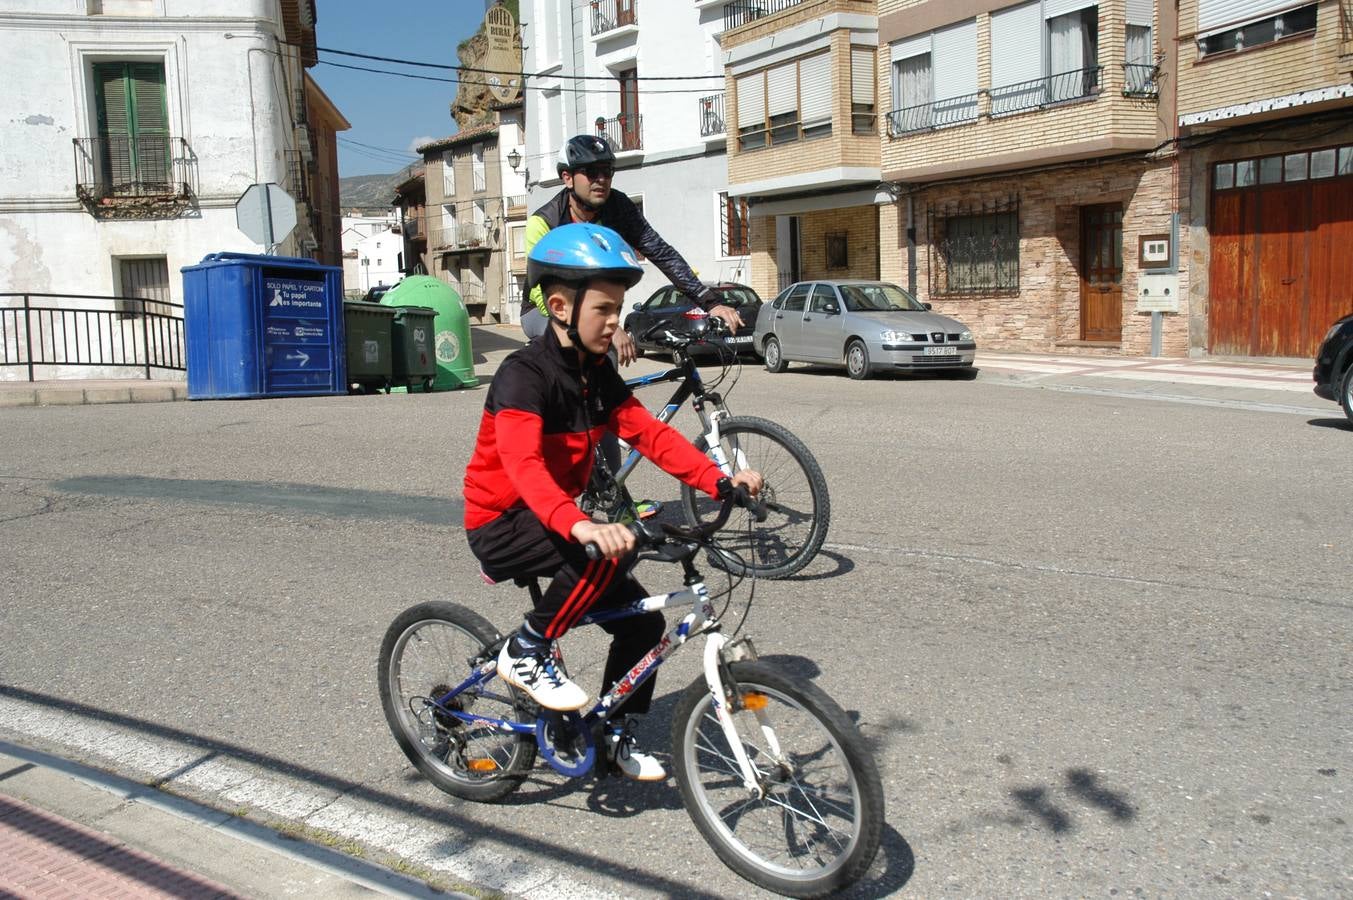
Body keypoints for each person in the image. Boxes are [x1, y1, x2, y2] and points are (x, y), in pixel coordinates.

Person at [465, 222, 762, 781]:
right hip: (502, 522)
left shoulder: (594, 372)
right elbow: (523, 467)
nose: (614, 323)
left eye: (618, 308)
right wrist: (580, 526)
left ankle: (610, 737)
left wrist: (719, 479)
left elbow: (648, 433)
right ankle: (526, 649)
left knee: (642, 626)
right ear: (559, 306)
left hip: (553, 518)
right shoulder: (523, 376)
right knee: (610, 549)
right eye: (603, 309)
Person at [520, 136, 745, 519]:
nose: (601, 180)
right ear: (566, 178)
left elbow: (661, 253)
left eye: (607, 171)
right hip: (545, 312)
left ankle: (605, 490)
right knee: (597, 365)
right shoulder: (545, 221)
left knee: (603, 396)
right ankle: (611, 498)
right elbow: (544, 294)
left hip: (595, 313)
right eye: (590, 172)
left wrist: (711, 302)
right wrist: (605, 329)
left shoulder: (618, 208)